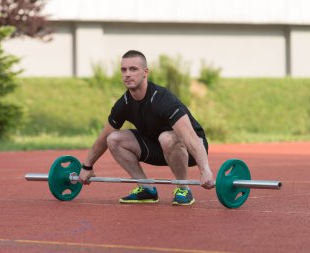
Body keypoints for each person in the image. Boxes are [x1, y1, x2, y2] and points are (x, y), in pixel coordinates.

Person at [79, 50, 214, 206]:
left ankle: (183, 188)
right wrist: (87, 166)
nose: (127, 74)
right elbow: (104, 136)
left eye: (133, 69)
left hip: (191, 149)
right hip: (156, 147)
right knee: (113, 139)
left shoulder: (163, 99)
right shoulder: (124, 104)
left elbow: (190, 135)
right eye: (124, 70)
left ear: (145, 72)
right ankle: (146, 189)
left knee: (167, 137)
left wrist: (204, 170)